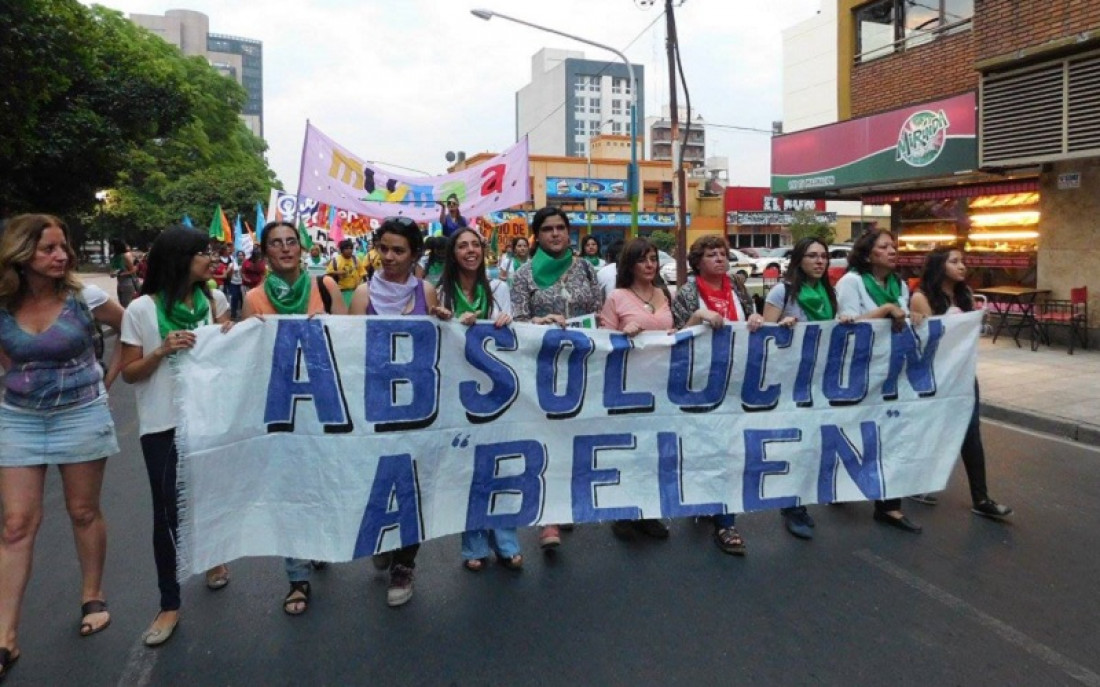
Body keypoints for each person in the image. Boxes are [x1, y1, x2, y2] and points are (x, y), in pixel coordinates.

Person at [0, 215, 125, 680]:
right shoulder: (2, 304)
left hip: (81, 414)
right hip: (18, 418)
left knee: (82, 511)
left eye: (63, 247)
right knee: (16, 524)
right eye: (49, 249)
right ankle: (5, 636)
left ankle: (92, 594)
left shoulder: (83, 298)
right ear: (21, 256)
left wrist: (106, 379)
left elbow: (131, 329)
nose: (61, 256)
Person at [119, 225, 233, 647]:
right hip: (162, 425)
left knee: (210, 495)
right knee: (167, 512)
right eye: (202, 253)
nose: (211, 258)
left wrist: (228, 336)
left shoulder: (214, 300)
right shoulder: (142, 310)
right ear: (180, 259)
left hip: (210, 420)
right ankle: (169, 603)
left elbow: (232, 350)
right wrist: (162, 351)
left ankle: (211, 555)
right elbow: (130, 374)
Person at [241, 222, 346, 615]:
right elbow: (245, 355)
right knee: (290, 489)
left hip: (326, 404)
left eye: (291, 242)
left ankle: (317, 543)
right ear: (265, 253)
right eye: (275, 244)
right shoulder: (253, 299)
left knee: (322, 483)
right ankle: (296, 577)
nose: (285, 249)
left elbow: (350, 341)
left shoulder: (326, 288)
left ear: (301, 248)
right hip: (283, 407)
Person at [349, 217, 439, 607]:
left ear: (414, 254)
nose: (389, 256)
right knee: (376, 483)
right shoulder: (362, 295)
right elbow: (348, 352)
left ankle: (404, 563)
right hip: (374, 409)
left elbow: (439, 347)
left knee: (413, 487)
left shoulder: (427, 291)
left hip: (418, 408)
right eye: (383, 248)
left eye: (398, 250)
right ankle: (382, 537)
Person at [510, 207, 603, 549]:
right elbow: (518, 320)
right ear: (537, 236)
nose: (555, 234)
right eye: (547, 229)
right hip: (544, 366)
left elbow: (598, 309)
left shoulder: (585, 269)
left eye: (560, 228)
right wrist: (541, 322)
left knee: (575, 435)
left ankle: (565, 502)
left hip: (582, 362)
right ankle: (548, 517)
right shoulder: (524, 274)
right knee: (546, 436)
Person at [430, 228, 520, 571]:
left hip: (497, 390)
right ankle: (473, 545)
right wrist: (446, 320)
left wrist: (502, 321)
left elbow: (514, 335)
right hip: (459, 392)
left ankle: (506, 540)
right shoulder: (440, 292)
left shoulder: (498, 289)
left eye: (475, 245)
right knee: (467, 470)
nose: (470, 251)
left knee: (501, 465)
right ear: (453, 253)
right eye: (462, 246)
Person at [671, 234, 764, 555]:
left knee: (729, 449)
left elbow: (754, 318)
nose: (720, 259)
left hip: (736, 380)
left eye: (723, 253)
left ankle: (726, 521)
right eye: (712, 254)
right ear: (698, 261)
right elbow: (675, 335)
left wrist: (755, 318)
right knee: (704, 447)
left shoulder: (738, 286)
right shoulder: (687, 292)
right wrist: (698, 317)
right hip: (700, 382)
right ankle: (707, 501)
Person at [907, 246, 1013, 520]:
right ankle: (915, 482)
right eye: (954, 261)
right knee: (930, 429)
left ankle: (981, 497)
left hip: (963, 375)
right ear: (939, 266)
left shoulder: (965, 295)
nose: (962, 266)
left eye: (963, 261)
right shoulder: (921, 297)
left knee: (971, 433)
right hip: (935, 376)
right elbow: (929, 341)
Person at [835, 229, 921, 533]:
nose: (892, 250)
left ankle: (889, 506)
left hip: (892, 371)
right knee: (855, 434)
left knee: (892, 434)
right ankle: (838, 481)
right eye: (884, 246)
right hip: (860, 372)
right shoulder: (852, 282)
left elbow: (905, 319)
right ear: (868, 253)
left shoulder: (899, 284)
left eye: (894, 246)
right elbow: (847, 325)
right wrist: (885, 310)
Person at [761, 237, 837, 540]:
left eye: (823, 256)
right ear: (799, 260)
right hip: (789, 381)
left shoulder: (829, 292)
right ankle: (792, 506)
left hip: (819, 381)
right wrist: (782, 327)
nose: (819, 261)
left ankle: (801, 500)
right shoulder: (784, 291)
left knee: (813, 445)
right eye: (812, 256)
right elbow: (763, 336)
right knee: (793, 445)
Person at [600, 238, 674, 541]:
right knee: (628, 450)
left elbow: (675, 330)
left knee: (655, 450)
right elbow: (602, 342)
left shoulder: (664, 293)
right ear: (630, 265)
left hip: (663, 383)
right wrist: (621, 333)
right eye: (643, 260)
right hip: (628, 385)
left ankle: (649, 511)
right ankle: (623, 512)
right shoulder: (616, 297)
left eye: (654, 259)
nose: (650, 265)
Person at [327, 239, 366, 307]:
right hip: (340, 292)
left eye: (351, 248)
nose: (349, 251)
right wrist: (337, 273)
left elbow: (363, 273)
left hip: (355, 292)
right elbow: (327, 274)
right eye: (346, 249)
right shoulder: (335, 260)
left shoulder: (356, 260)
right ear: (342, 250)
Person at [109, 238, 141, 307]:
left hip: (128, 283)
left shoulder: (126, 256)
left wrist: (123, 273)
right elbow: (112, 271)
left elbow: (133, 270)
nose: (111, 247)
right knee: (122, 304)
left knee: (127, 305)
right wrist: (113, 274)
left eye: (112, 246)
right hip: (120, 284)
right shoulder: (114, 257)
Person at [226, 250, 245, 320]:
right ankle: (233, 315)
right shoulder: (232, 264)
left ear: (244, 256)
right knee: (234, 298)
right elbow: (227, 273)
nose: (240, 256)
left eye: (242, 255)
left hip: (242, 284)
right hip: (234, 283)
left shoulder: (246, 264)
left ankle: (244, 314)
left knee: (244, 299)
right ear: (236, 256)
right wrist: (232, 270)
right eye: (239, 255)